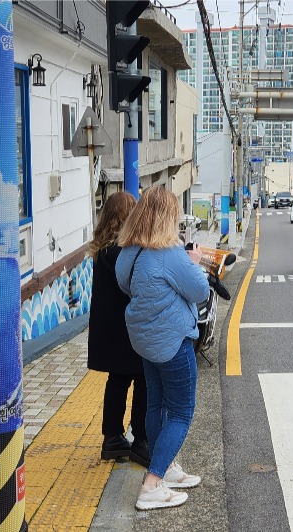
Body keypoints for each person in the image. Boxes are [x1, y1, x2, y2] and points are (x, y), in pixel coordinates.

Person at [116, 187, 209, 511]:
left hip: (144, 340)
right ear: (167, 218)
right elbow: (199, 290)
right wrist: (193, 261)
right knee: (181, 412)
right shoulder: (169, 253)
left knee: (155, 405)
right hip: (172, 342)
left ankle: (165, 469)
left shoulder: (129, 251)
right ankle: (152, 485)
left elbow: (124, 285)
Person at [87, 191, 150, 468]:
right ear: (126, 215)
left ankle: (112, 437)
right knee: (144, 379)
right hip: (126, 331)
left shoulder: (103, 248)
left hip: (109, 331)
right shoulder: (123, 252)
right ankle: (140, 440)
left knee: (118, 381)